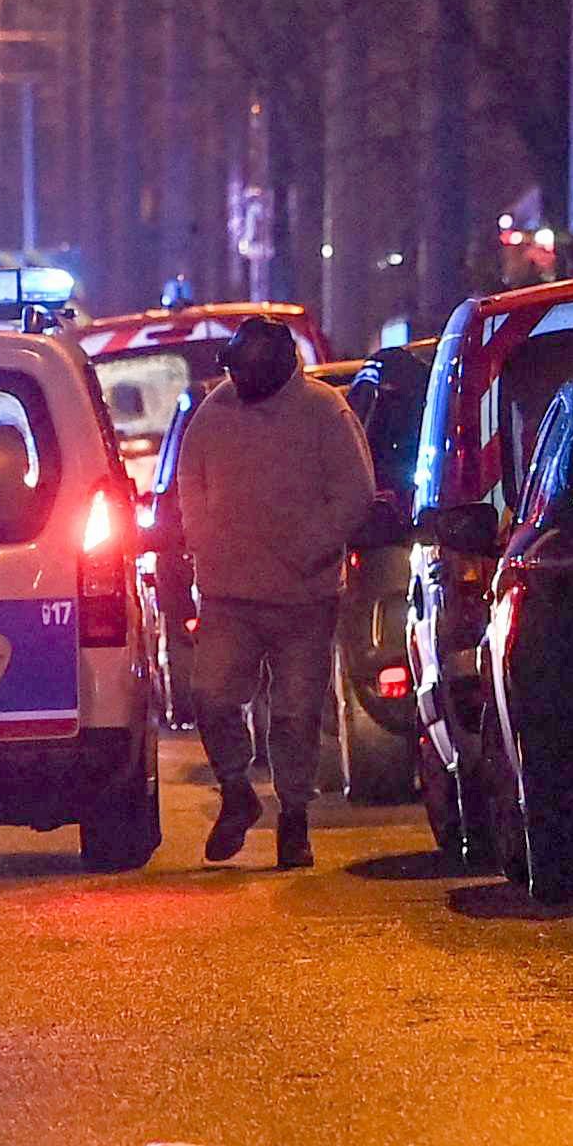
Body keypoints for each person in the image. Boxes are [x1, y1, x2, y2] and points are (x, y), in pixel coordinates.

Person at [161, 318, 381, 869]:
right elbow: (191, 481)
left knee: (295, 713)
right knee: (211, 696)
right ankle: (236, 791)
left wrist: (311, 549)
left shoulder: (324, 412)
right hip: (228, 592)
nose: (239, 381)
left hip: (303, 598)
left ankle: (294, 819)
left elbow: (355, 492)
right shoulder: (215, 413)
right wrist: (203, 542)